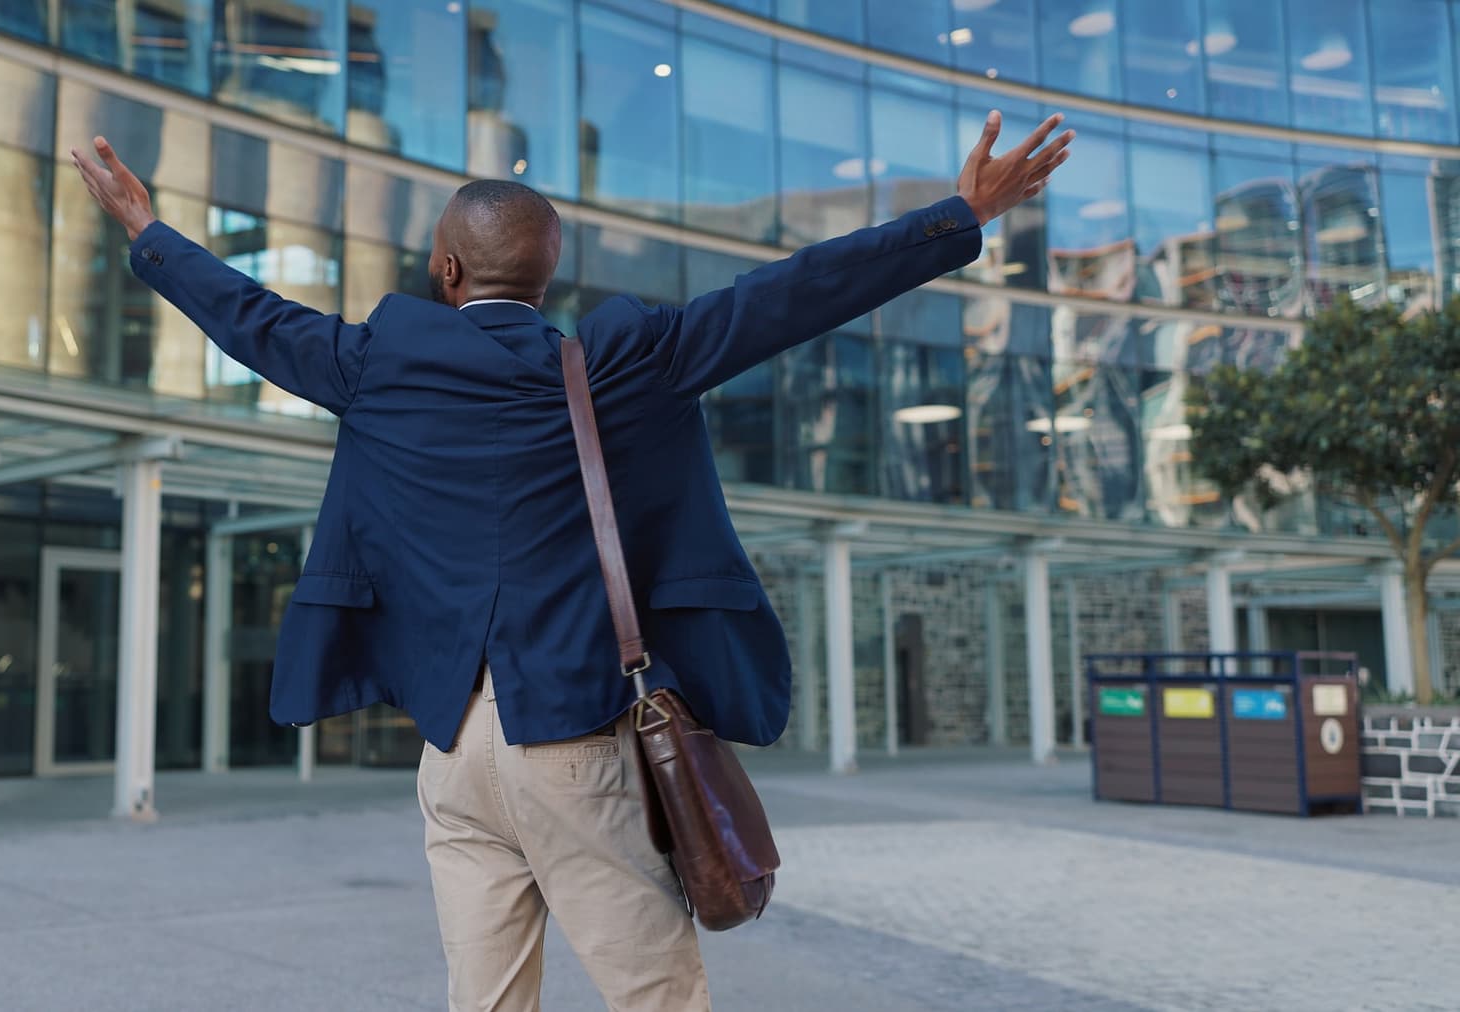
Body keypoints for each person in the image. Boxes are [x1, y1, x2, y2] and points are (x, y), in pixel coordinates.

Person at [72, 110, 1071, 1011]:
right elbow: (792, 295)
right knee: (656, 996)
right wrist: (957, 213)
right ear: (544, 275)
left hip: (455, 745)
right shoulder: (632, 360)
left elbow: (249, 316)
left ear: (446, 270)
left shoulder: (378, 362)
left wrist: (147, 233)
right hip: (578, 740)